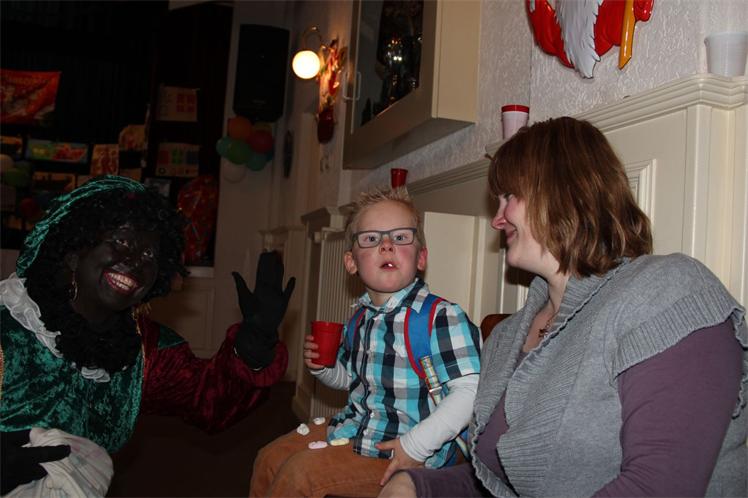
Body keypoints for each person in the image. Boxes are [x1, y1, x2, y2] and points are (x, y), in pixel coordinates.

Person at [380, 117, 747, 497]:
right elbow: (496, 484)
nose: (497, 220)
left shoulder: (667, 291)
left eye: (510, 196)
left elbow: (657, 487)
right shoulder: (506, 338)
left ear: (564, 190)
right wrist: (416, 485)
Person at [0, 175, 296, 495]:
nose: (134, 263)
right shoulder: (10, 328)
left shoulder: (141, 347)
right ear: (74, 251)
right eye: (122, 242)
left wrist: (254, 345)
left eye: (149, 256)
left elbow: (208, 400)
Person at [249, 187, 482, 497]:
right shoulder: (361, 316)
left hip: (409, 451)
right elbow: (352, 378)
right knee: (269, 458)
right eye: (371, 239)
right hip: (357, 427)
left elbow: (470, 392)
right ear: (351, 263)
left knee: (300, 477)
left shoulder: (440, 317)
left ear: (421, 257)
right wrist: (324, 368)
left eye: (401, 237)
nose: (386, 245)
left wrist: (416, 445)